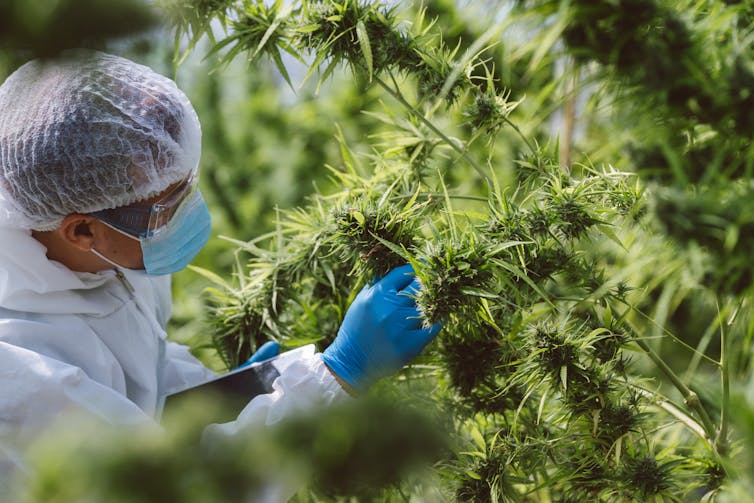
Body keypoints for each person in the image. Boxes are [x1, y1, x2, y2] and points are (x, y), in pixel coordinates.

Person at [0, 50, 442, 497]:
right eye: (167, 208)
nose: (188, 214)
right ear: (81, 229)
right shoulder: (20, 376)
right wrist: (335, 379)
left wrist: (214, 395)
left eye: (187, 184)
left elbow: (134, 366)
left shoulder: (109, 253)